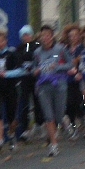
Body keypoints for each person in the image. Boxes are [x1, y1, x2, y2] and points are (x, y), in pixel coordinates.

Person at [33, 25, 74, 157]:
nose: (45, 38)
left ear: (52, 37)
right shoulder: (37, 52)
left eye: (47, 36)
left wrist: (58, 66)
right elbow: (34, 68)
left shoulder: (60, 49)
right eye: (42, 36)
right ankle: (54, 145)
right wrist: (36, 71)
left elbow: (71, 64)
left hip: (59, 85)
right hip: (44, 86)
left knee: (59, 115)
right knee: (48, 116)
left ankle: (63, 121)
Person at [16, 25, 45, 142]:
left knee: (38, 101)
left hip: (37, 78)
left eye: (27, 34)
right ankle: (25, 129)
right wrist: (23, 67)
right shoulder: (19, 48)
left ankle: (39, 124)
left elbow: (41, 59)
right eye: (23, 35)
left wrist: (35, 68)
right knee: (24, 103)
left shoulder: (37, 46)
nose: (26, 37)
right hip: (24, 79)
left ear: (31, 35)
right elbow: (18, 61)